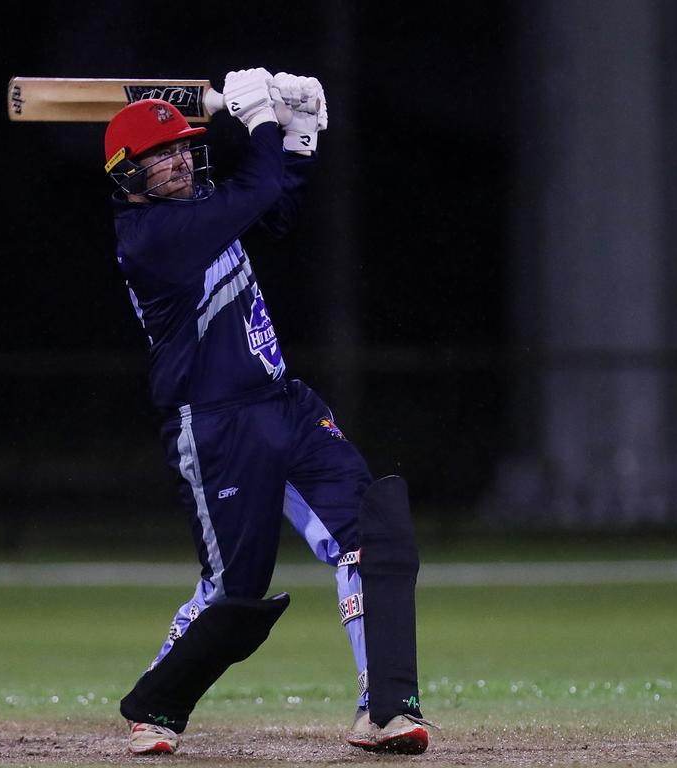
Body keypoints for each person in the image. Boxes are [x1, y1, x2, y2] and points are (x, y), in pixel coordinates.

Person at [103, 68, 433, 755]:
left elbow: (273, 205)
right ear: (127, 176)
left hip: (285, 402)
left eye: (182, 149)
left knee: (373, 533)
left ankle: (386, 708)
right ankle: (155, 707)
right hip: (215, 423)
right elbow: (255, 188)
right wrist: (259, 127)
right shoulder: (149, 238)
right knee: (234, 590)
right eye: (158, 157)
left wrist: (298, 137)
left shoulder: (204, 206)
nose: (177, 162)